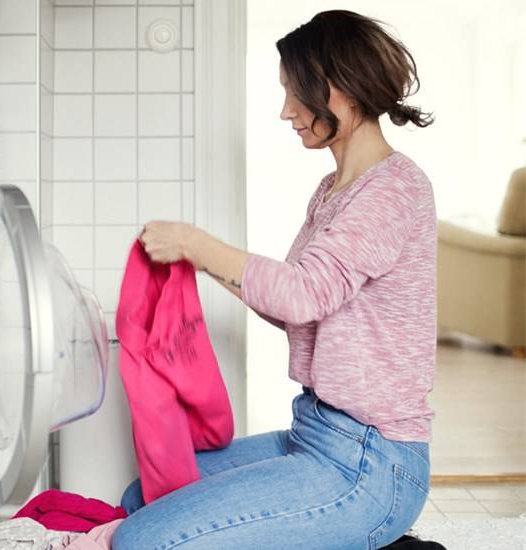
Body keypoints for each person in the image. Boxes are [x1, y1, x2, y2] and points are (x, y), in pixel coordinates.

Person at [111, 9, 438, 550]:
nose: (286, 111)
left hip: (371, 464)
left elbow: (302, 293)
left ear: (340, 91)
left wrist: (198, 243)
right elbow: (292, 304)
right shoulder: (332, 189)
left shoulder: (392, 191)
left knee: (143, 541)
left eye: (295, 93)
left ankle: (369, 533)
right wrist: (197, 263)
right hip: (314, 433)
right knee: (142, 496)